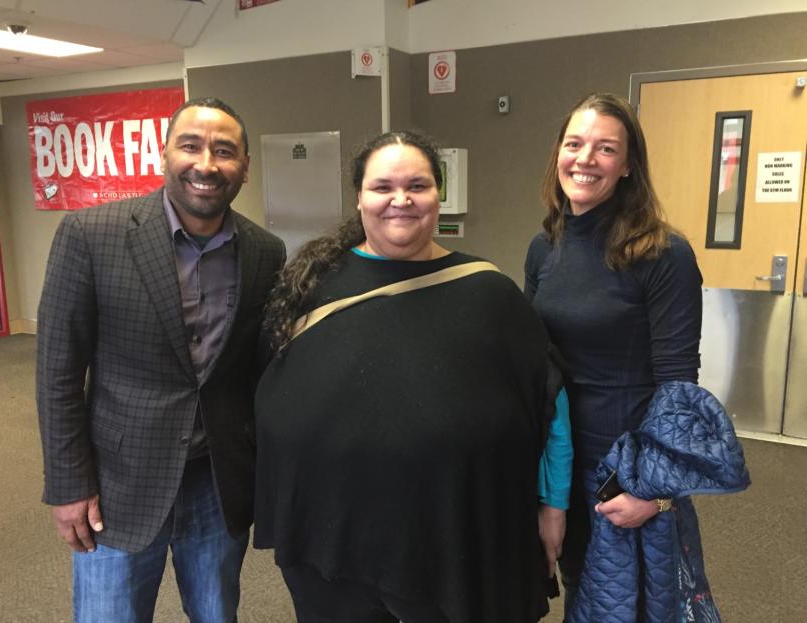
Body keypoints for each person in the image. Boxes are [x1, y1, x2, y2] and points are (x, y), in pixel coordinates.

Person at [253, 130, 572, 623]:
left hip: (449, 539)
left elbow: (549, 399)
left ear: (438, 195)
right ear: (359, 197)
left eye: (417, 185)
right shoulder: (311, 286)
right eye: (382, 187)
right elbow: (275, 394)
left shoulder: (487, 293)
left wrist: (553, 505)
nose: (400, 200)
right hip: (332, 543)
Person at [36, 97, 286, 622]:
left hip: (216, 483)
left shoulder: (266, 251)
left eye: (224, 151)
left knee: (218, 613)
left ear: (244, 167)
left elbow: (255, 371)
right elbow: (58, 371)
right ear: (163, 153)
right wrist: (68, 484)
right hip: (117, 483)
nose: (206, 164)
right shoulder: (91, 235)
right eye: (190, 146)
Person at [524, 92, 723, 619]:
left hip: (627, 472)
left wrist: (656, 494)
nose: (585, 159)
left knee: (633, 605)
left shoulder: (662, 254)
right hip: (562, 459)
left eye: (605, 148)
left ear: (629, 165)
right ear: (558, 154)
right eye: (574, 143)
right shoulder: (545, 247)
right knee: (576, 589)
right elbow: (532, 362)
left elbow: (679, 388)